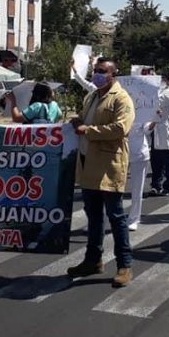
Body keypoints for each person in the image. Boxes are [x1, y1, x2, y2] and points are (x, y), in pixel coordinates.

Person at [67, 58, 136, 288]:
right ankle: (93, 260)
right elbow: (86, 119)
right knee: (94, 216)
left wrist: (88, 130)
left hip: (108, 166)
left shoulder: (121, 98)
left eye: (102, 71)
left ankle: (124, 265)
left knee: (116, 217)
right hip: (88, 163)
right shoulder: (92, 96)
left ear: (113, 74)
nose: (97, 74)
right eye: (95, 70)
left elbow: (121, 128)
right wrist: (77, 121)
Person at [148, 73, 169, 197]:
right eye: (161, 79)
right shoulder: (161, 91)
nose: (161, 81)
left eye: (163, 79)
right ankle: (156, 186)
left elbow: (155, 101)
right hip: (156, 131)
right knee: (155, 162)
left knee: (167, 162)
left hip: (165, 132)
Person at [127, 122, 151, 231]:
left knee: (136, 189)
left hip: (138, 154)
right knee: (110, 189)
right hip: (118, 153)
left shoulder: (141, 113)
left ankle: (134, 219)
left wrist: (155, 120)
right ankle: (100, 220)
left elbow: (147, 129)